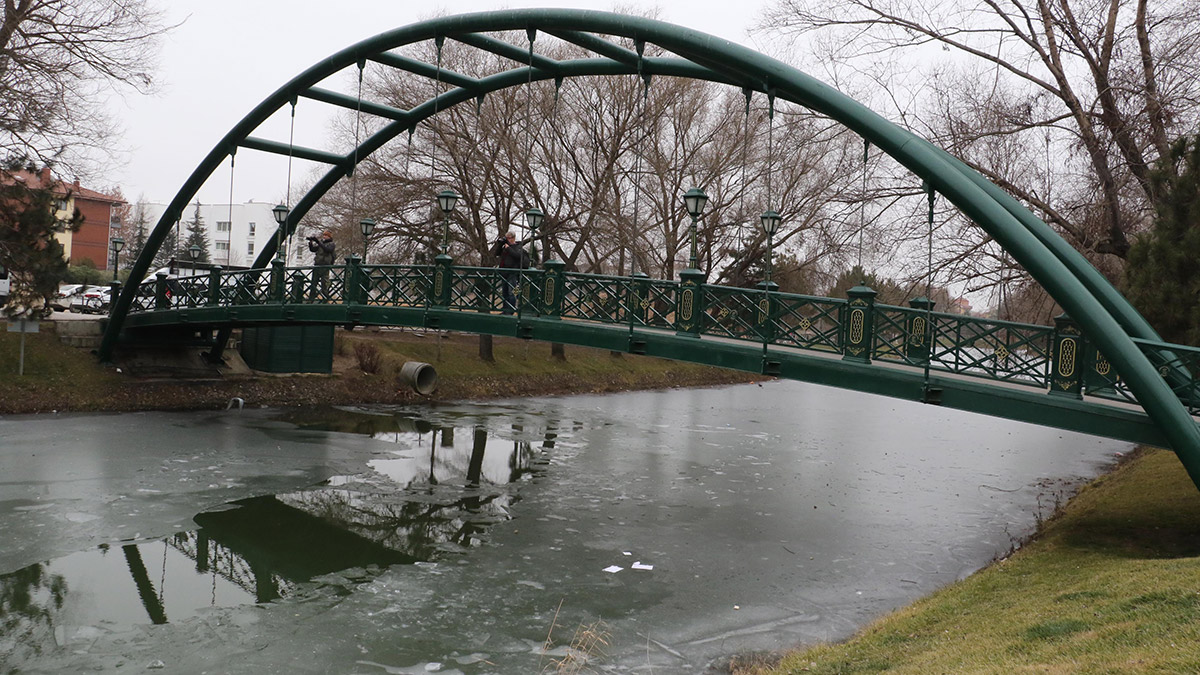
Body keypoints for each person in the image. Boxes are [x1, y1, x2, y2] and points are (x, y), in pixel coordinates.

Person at [490, 230, 528, 314]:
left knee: (512, 292)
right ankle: (505, 309)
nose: (508, 240)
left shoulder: (518, 247)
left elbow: (518, 256)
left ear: (513, 238)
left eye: (509, 238)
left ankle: (511, 310)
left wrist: (508, 248)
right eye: (507, 238)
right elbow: (497, 253)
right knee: (505, 292)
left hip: (512, 272)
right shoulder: (504, 247)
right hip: (504, 272)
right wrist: (500, 244)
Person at [307, 230, 336, 300]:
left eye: (326, 235)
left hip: (325, 265)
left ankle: (325, 298)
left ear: (329, 237)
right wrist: (310, 243)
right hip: (317, 264)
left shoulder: (331, 244)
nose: (324, 237)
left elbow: (328, 249)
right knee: (314, 282)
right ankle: (311, 298)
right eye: (324, 235)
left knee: (324, 283)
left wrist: (318, 242)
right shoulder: (321, 244)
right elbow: (313, 249)